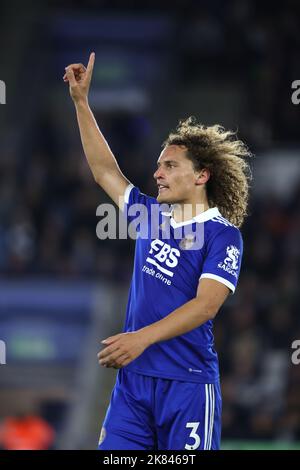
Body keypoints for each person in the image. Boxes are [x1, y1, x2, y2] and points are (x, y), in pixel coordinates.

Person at [63, 52, 252, 450]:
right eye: (158, 166)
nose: (157, 174)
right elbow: (105, 172)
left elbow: (205, 306)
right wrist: (81, 102)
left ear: (202, 175)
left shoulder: (223, 236)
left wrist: (140, 339)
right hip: (133, 386)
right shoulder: (150, 216)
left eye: (169, 165)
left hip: (186, 384)